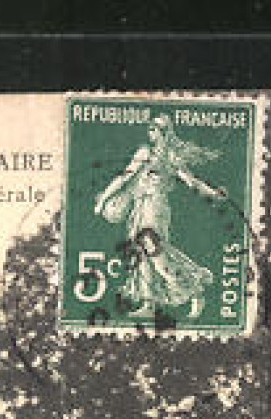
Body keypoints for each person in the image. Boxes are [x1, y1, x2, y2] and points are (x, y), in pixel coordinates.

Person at [92, 113, 227, 321]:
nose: (151, 133)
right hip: (140, 206)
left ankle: (194, 289)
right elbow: (125, 177)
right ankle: (149, 303)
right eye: (151, 129)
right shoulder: (144, 152)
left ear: (165, 132)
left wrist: (212, 193)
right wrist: (104, 199)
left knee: (154, 250)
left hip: (156, 207)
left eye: (155, 129)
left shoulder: (172, 156)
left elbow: (191, 181)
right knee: (143, 253)